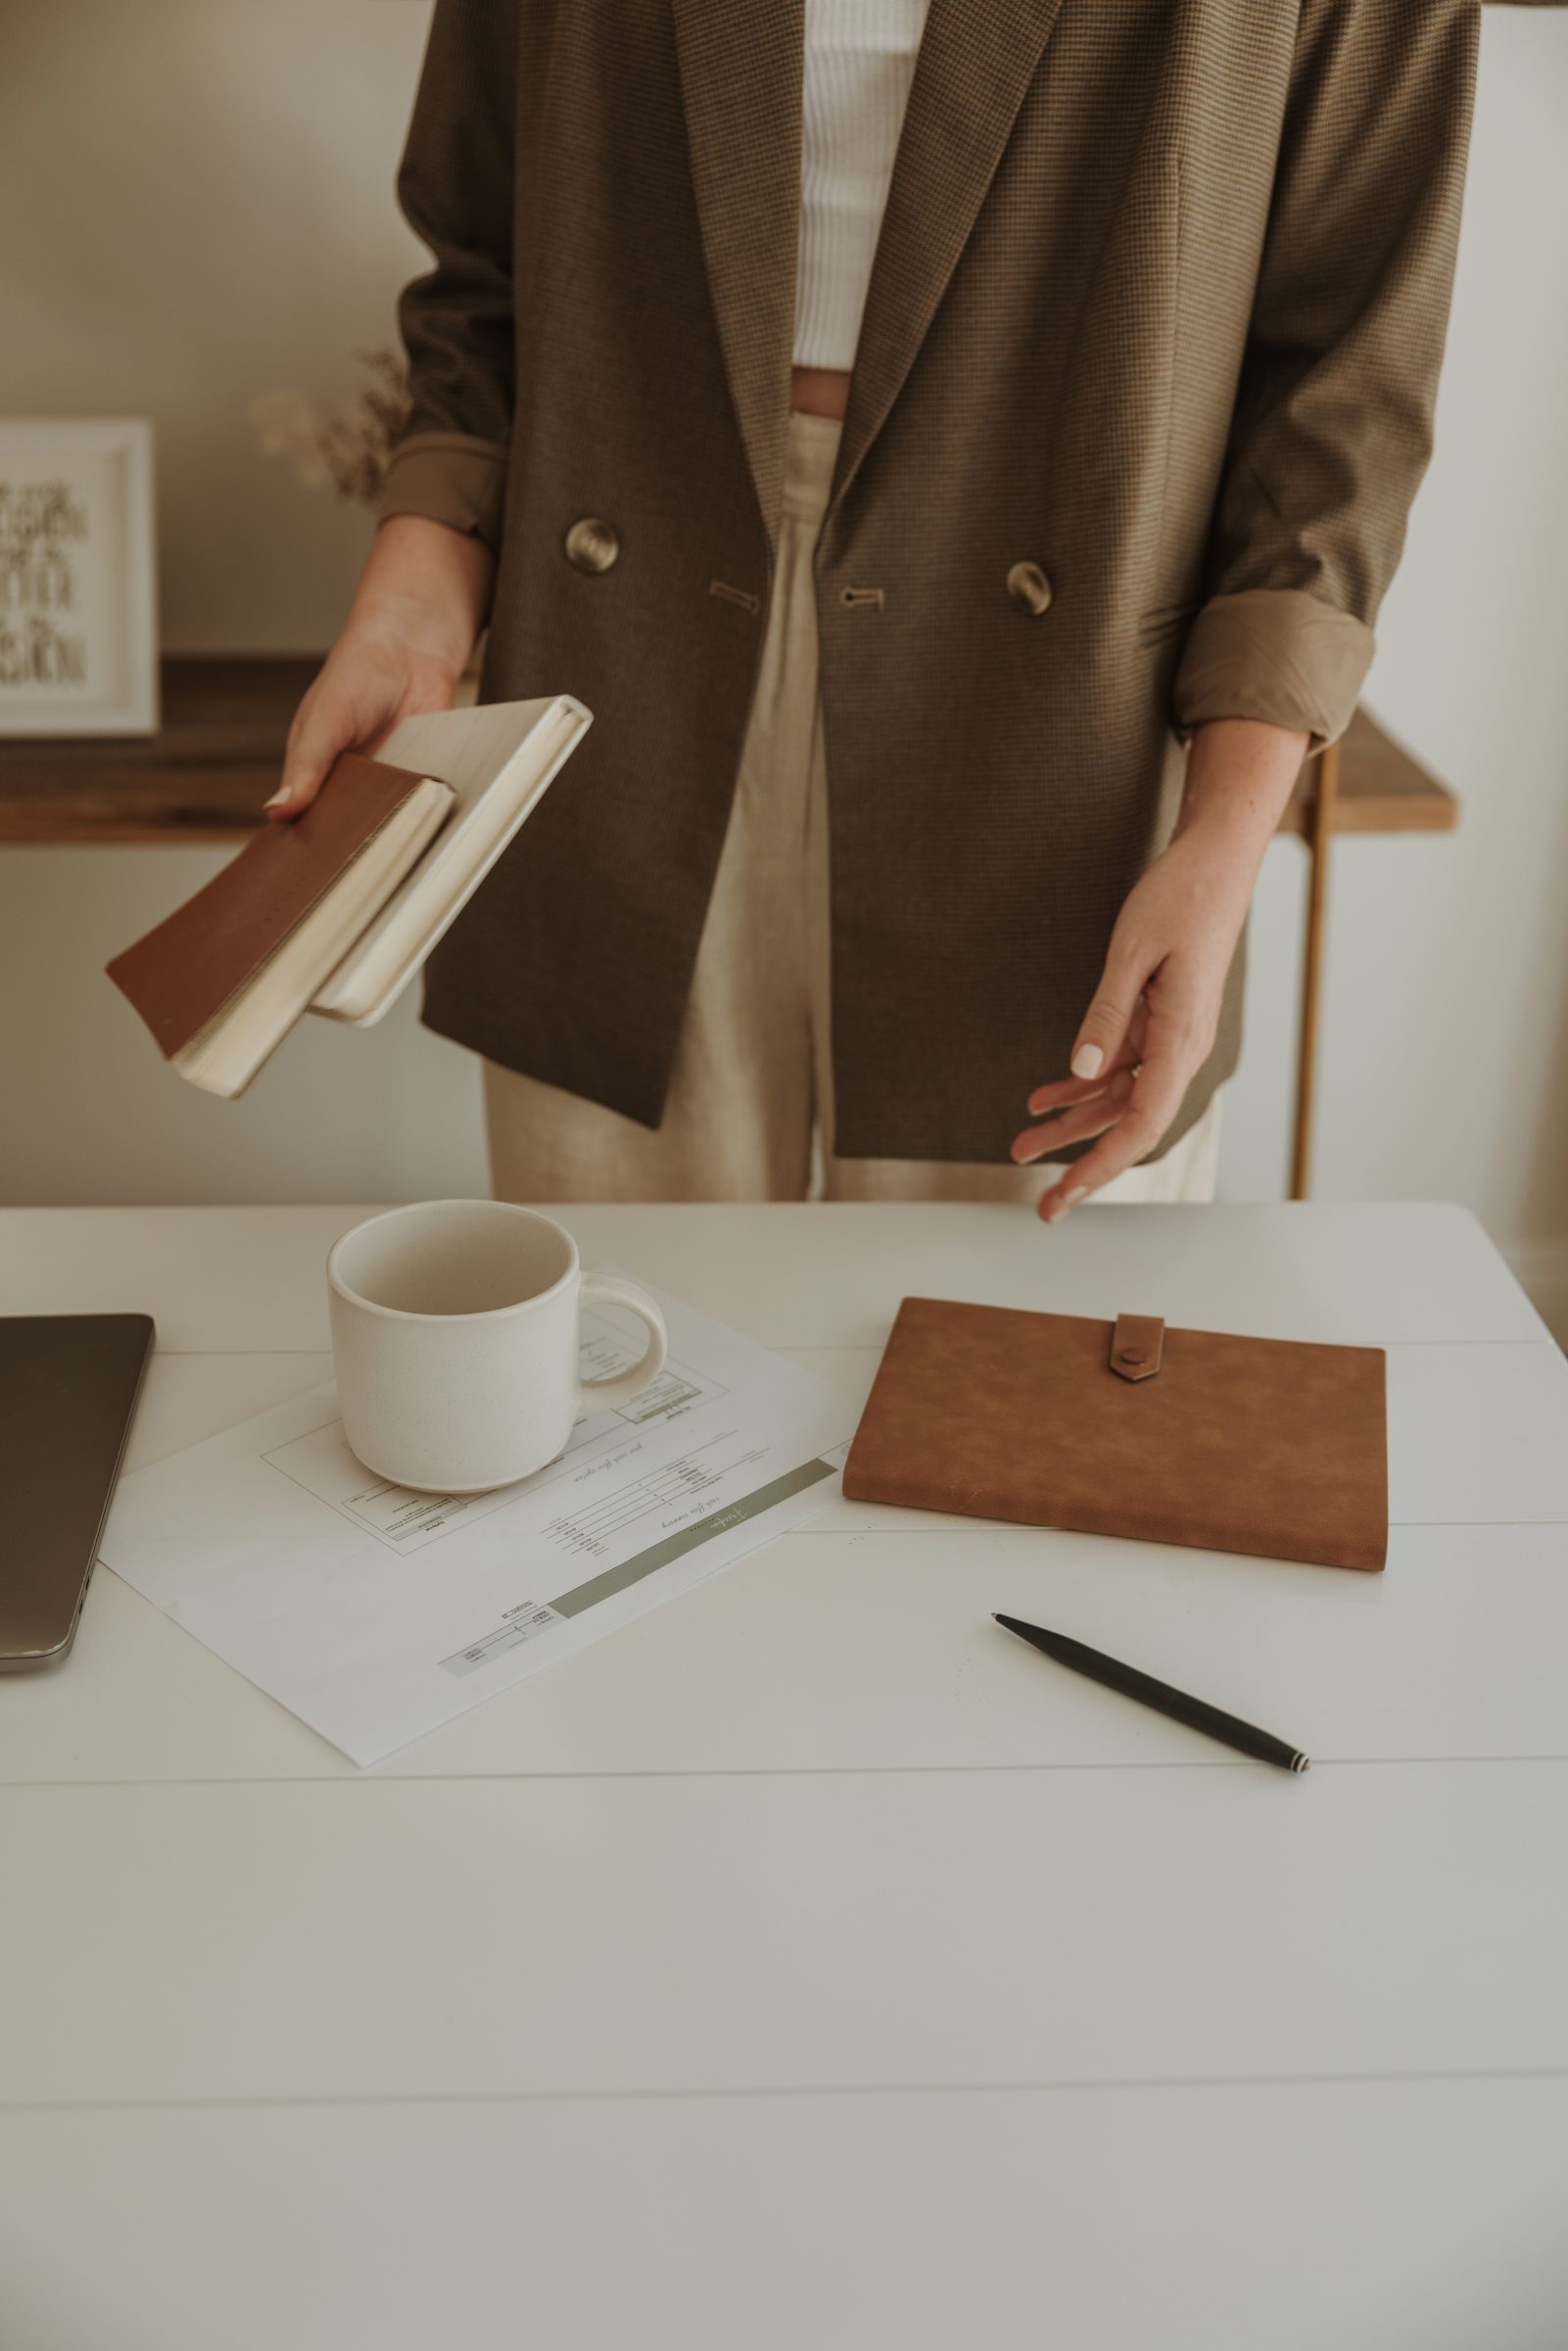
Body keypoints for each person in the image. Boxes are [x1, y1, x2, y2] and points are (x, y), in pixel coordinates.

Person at [270, 0, 1477, 1219]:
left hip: (1066, 700)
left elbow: (1345, 380)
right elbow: (482, 261)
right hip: (617, 636)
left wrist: (1223, 836)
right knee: (619, 1352)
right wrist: (410, 611)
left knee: (1008, 1378)